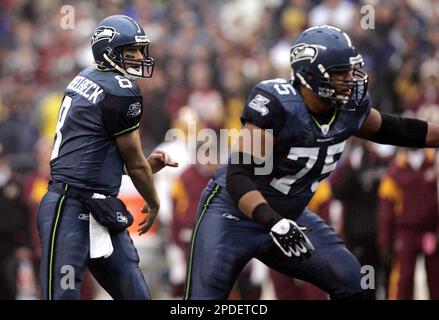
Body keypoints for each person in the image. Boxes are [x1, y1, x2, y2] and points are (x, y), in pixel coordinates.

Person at [184, 25, 439, 300]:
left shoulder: (348, 110)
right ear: (309, 76)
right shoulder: (277, 104)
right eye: (340, 72)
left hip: (289, 217)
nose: (350, 79)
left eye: (351, 70)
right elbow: (239, 176)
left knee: (352, 281)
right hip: (232, 215)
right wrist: (274, 223)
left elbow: (399, 129)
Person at [37, 15, 177, 300]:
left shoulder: (85, 77)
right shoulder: (120, 91)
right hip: (69, 205)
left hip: (97, 205)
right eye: (130, 52)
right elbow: (135, 166)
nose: (139, 57)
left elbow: (96, 157)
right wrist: (153, 201)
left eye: (139, 51)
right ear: (109, 53)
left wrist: (147, 167)